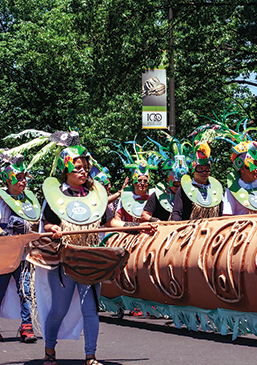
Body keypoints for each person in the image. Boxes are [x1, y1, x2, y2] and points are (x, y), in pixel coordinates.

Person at [31, 132, 152, 365]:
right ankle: (49, 350)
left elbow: (110, 222)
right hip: (65, 259)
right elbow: (46, 222)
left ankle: (91, 355)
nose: (84, 171)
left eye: (86, 167)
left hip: (91, 257)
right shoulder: (57, 195)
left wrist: (137, 227)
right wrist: (53, 227)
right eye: (78, 168)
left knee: (90, 310)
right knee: (59, 309)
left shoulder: (96, 195)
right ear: (67, 169)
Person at [0, 153, 39, 343]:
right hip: (4, 254)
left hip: (24, 254)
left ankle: (26, 326)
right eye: (19, 178)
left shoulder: (29, 200)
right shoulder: (0, 199)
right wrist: (5, 233)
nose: (23, 181)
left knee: (26, 290)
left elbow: (36, 221)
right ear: (9, 179)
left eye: (25, 178)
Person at [171, 142, 224, 220]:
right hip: (189, 229)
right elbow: (177, 213)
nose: (204, 172)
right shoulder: (183, 189)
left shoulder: (216, 188)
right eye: (200, 168)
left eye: (207, 169)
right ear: (193, 170)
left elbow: (220, 214)